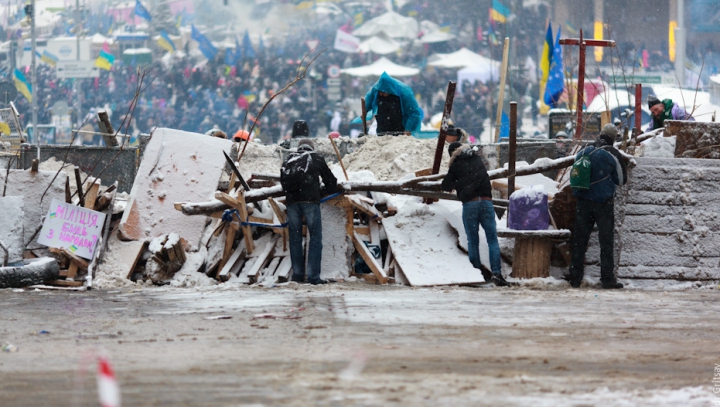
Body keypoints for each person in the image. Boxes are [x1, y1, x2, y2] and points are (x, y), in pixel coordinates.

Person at [568, 124, 628, 289]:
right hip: (603, 204)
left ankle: (575, 278)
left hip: (582, 202)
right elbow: (622, 180)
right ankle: (607, 279)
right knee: (606, 242)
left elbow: (577, 172)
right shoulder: (612, 152)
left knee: (580, 240)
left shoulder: (584, 150)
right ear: (613, 138)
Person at [441, 142, 508, 287]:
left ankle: (477, 273)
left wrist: (458, 183)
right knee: (492, 239)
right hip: (486, 202)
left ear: (452, 154)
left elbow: (445, 186)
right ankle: (497, 273)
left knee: (473, 240)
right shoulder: (477, 158)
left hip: (470, 204)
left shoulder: (456, 164)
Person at [280, 138, 338, 285]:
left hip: (292, 203)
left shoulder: (288, 159)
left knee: (295, 239)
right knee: (315, 239)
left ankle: (297, 275)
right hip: (310, 202)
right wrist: (323, 191)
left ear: (299, 148)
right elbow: (331, 181)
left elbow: (283, 183)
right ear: (311, 148)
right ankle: (313, 277)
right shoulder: (316, 158)